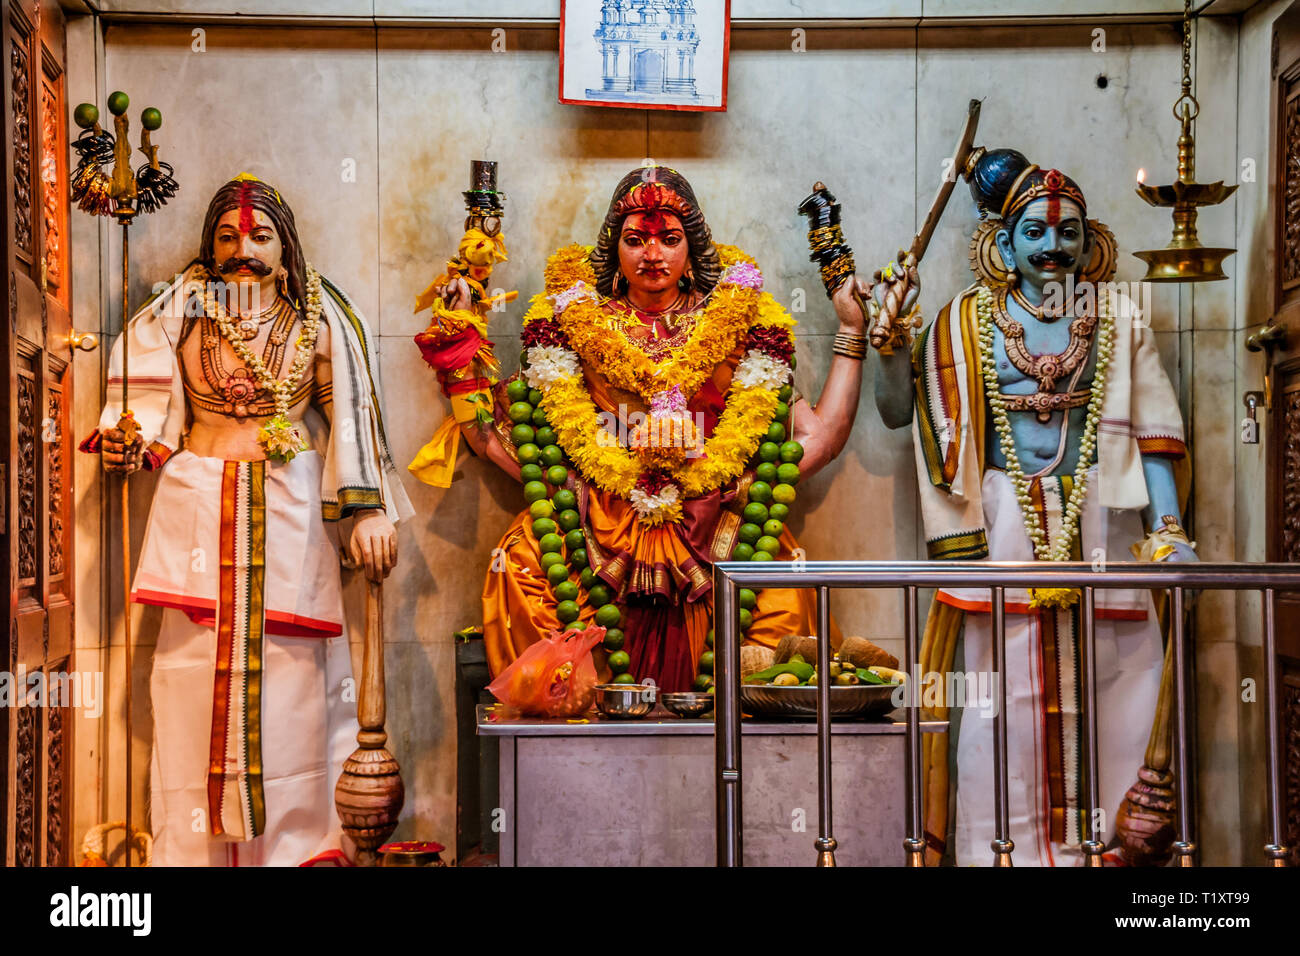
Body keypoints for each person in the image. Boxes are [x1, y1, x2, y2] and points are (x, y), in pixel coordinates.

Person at [411, 164, 871, 691]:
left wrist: (851, 331)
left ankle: (736, 756)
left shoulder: (738, 328)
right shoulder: (575, 326)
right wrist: (459, 346)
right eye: (636, 240)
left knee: (783, 585)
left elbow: (821, 440)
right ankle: (572, 748)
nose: (653, 255)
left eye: (669, 239)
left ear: (692, 250)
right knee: (517, 560)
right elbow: (498, 440)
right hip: (599, 514)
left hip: (718, 516)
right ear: (615, 249)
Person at [870, 148, 1195, 866]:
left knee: (1120, 697)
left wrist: (1167, 530)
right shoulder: (962, 323)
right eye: (1037, 234)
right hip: (998, 538)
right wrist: (888, 343)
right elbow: (898, 413)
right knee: (997, 716)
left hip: (1101, 528)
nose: (1054, 247)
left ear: (1090, 242)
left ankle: (1113, 860)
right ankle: (1001, 858)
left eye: (1069, 234)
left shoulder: (1117, 318)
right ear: (1004, 245)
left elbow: (1155, 433)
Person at [81, 173, 412, 865]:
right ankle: (187, 855)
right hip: (197, 512)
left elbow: (353, 416)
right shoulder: (178, 310)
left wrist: (368, 510)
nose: (244, 250)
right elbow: (140, 402)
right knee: (187, 687)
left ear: (285, 250)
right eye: (228, 237)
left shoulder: (320, 316)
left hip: (289, 521)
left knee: (291, 697)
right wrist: (126, 434)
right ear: (209, 247)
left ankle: (293, 851)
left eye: (260, 237)